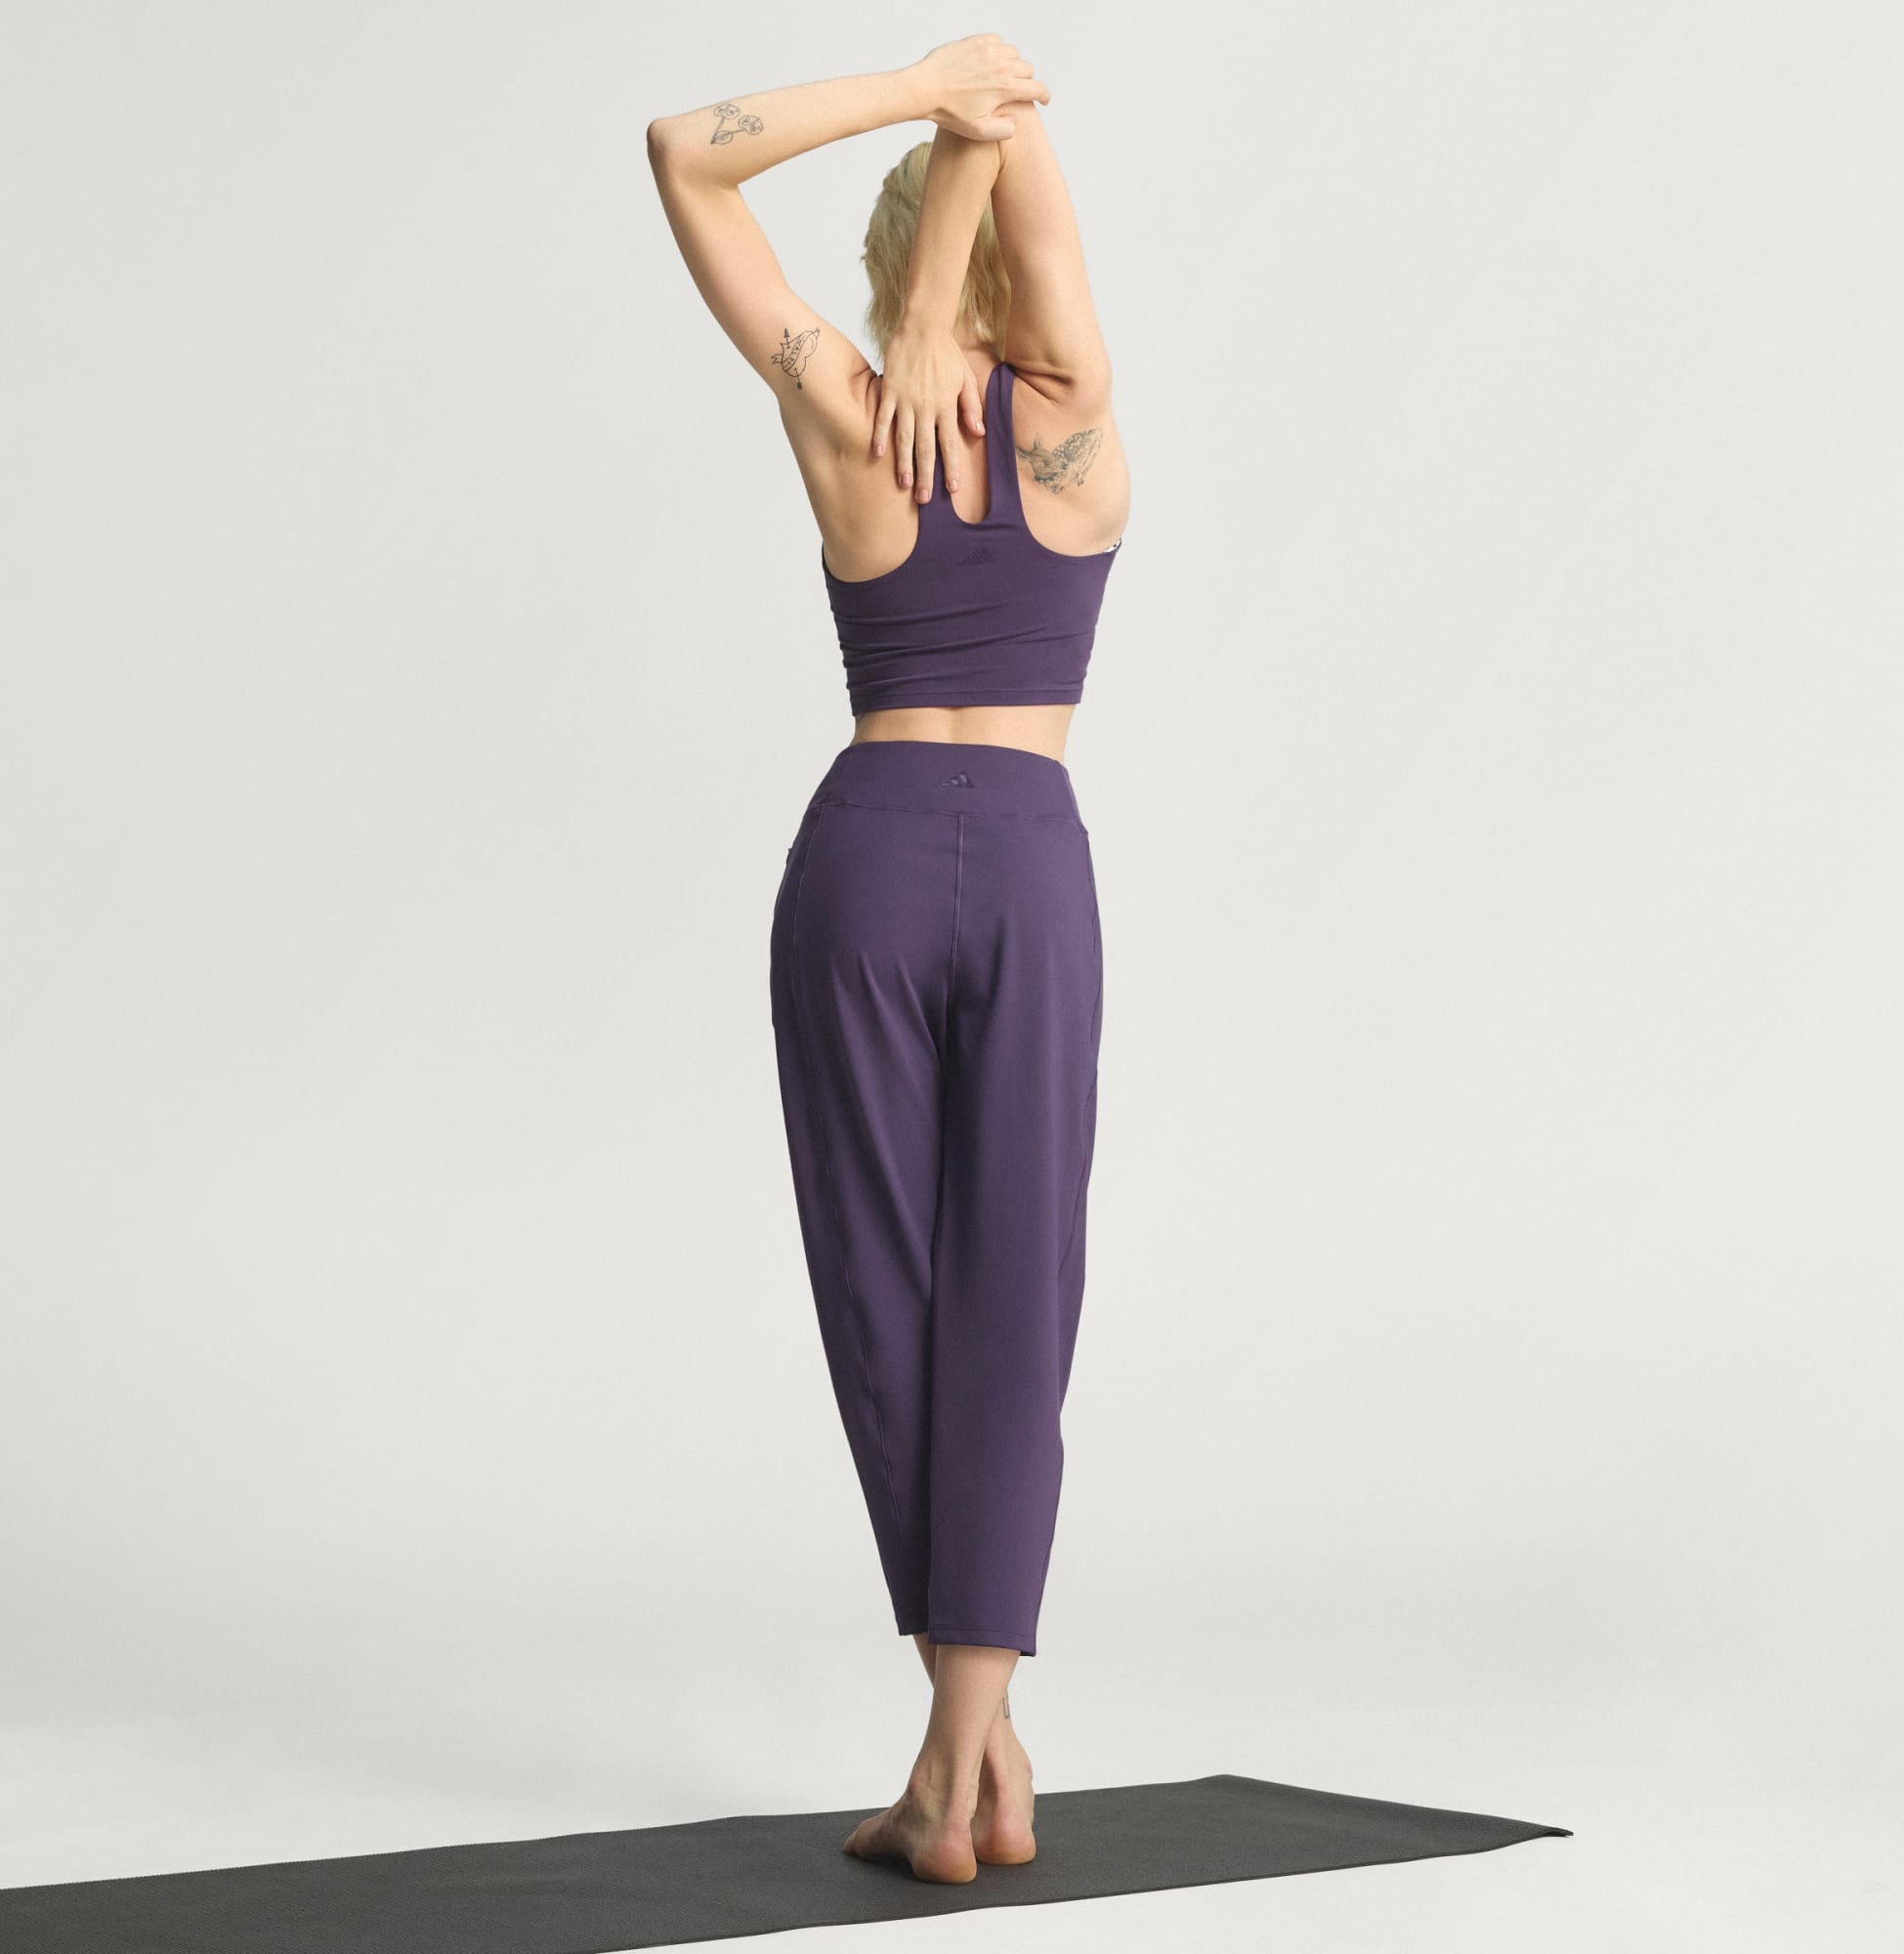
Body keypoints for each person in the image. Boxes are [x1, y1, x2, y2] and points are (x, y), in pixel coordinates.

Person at [646, 33, 1129, 1886]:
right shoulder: (1078, 424)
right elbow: (1019, 115)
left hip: (862, 858)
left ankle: (958, 1763)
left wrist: (917, 102)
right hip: (1032, 869)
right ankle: (970, 1755)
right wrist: (970, 142)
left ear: (889, 259)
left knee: (887, 1291)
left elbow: (683, 153)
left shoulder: (848, 412)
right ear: (1027, 257)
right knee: (1019, 1299)